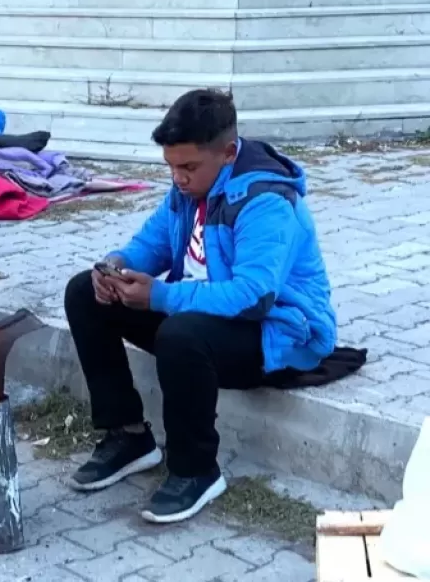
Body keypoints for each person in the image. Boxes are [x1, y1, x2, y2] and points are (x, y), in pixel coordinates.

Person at [64, 88, 336, 524]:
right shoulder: (189, 187)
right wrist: (115, 266)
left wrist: (161, 295)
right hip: (201, 320)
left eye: (188, 167)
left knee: (181, 331)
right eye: (171, 167)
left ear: (228, 153)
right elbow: (150, 243)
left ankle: (196, 471)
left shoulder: (266, 200)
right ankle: (128, 436)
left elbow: (253, 297)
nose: (178, 178)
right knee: (84, 292)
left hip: (272, 334)